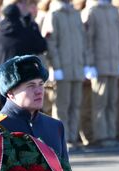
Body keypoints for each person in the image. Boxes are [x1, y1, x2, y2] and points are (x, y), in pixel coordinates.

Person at [0, 54, 68, 161]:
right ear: (10, 93)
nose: (39, 91)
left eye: (41, 84)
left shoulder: (55, 126)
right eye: (31, 85)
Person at [41, 0, 88, 149]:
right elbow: (50, 42)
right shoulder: (53, 15)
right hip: (63, 68)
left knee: (75, 104)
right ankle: (62, 139)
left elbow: (83, 41)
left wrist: (84, 63)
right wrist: (56, 66)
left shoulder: (75, 14)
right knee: (62, 106)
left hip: (77, 67)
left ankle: (72, 137)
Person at [82, 0, 119, 147]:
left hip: (113, 64)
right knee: (100, 103)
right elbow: (88, 40)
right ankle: (101, 136)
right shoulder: (92, 11)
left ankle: (111, 134)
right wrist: (89, 64)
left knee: (112, 102)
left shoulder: (114, 10)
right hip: (99, 65)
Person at [0, 1, 47, 70]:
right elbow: (41, 47)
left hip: (6, 77)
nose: (24, 5)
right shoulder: (26, 31)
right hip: (26, 76)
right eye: (21, 3)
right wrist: (31, 26)